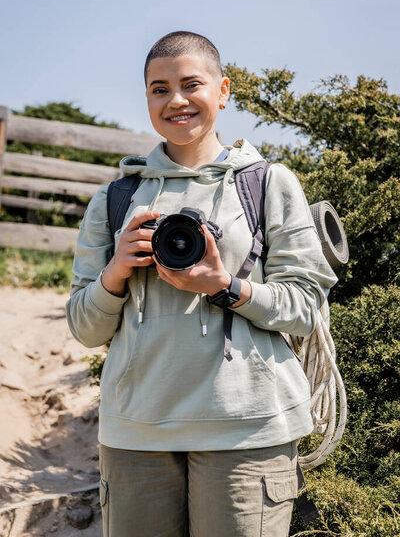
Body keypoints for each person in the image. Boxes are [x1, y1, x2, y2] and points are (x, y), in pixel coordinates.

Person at [66, 31, 337, 537]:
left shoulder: (269, 183)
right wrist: (117, 271)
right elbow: (84, 327)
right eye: (159, 88)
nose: (177, 100)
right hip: (136, 432)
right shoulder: (114, 199)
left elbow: (307, 307)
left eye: (192, 84)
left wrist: (224, 286)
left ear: (223, 90)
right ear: (146, 96)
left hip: (248, 428)